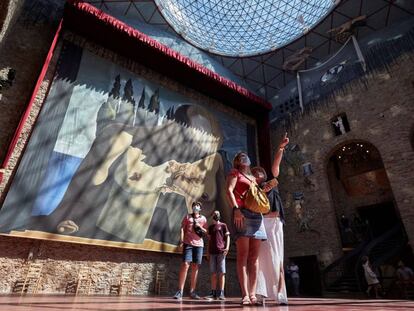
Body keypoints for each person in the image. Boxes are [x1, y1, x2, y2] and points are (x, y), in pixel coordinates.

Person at [226, 152, 267, 305]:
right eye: (241, 157)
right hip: (242, 213)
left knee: (254, 257)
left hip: (257, 216)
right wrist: (235, 209)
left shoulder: (253, 178)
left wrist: (265, 189)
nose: (244, 158)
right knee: (243, 255)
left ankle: (253, 294)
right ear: (237, 161)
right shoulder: (235, 173)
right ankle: (245, 295)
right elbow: (229, 190)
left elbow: (255, 196)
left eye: (246, 156)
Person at [254, 132, 289, 305]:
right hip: (261, 223)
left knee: (278, 259)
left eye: (259, 172)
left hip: (275, 223)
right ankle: (261, 294)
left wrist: (281, 148)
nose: (257, 174)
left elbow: (276, 166)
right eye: (255, 173)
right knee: (262, 259)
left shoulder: (271, 181)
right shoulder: (253, 190)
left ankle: (280, 294)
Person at [173, 202, 208, 301]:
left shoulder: (203, 219)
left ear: (200, 208)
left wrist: (200, 227)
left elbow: (207, 232)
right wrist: (181, 240)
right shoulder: (187, 217)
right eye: (194, 205)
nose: (195, 207)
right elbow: (182, 228)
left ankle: (192, 291)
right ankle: (180, 291)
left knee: (195, 266)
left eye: (197, 206)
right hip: (188, 244)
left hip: (199, 245)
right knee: (185, 265)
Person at [205, 210, 230, 300]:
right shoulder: (211, 227)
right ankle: (213, 293)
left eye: (218, 213)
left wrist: (227, 247)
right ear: (212, 216)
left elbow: (228, 236)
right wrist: (207, 252)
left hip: (221, 252)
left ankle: (222, 293)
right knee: (213, 273)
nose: (216, 215)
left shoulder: (223, 225)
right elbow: (209, 240)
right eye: (215, 213)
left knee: (222, 273)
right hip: (212, 253)